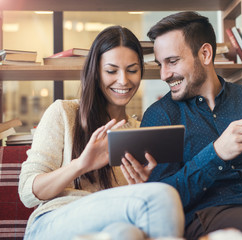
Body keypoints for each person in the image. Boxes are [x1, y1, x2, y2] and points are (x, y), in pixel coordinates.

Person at [141, 11, 242, 240]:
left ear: (205, 54)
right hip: (215, 214)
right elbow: (160, 199)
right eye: (160, 64)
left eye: (172, 61)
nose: (164, 74)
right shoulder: (160, 117)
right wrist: (216, 153)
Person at [18, 25, 184, 240]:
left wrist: (141, 185)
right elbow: (27, 194)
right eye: (111, 71)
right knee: (161, 197)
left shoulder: (140, 131)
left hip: (112, 223)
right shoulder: (64, 113)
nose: (123, 80)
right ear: (95, 72)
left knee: (128, 234)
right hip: (53, 222)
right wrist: (81, 164)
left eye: (132, 70)